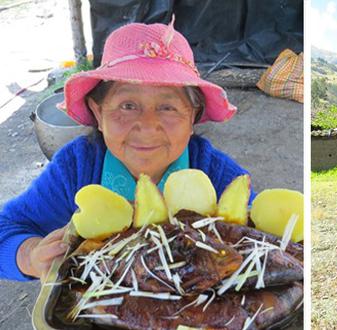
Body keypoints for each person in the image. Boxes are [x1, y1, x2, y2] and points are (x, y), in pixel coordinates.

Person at [0, 21, 255, 282]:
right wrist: (29, 256)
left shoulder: (215, 172)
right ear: (98, 113)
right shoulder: (77, 166)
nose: (146, 125)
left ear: (192, 117)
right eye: (128, 105)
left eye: (168, 107)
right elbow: (6, 228)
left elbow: (262, 231)